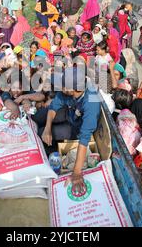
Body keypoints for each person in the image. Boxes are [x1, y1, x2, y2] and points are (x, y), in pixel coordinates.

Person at [41, 67, 101, 195]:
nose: (61, 89)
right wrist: (47, 129)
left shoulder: (91, 102)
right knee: (42, 129)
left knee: (51, 141)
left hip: (77, 132)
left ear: (75, 89)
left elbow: (84, 139)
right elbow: (54, 106)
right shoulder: (67, 92)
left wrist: (77, 173)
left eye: (64, 87)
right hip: (69, 117)